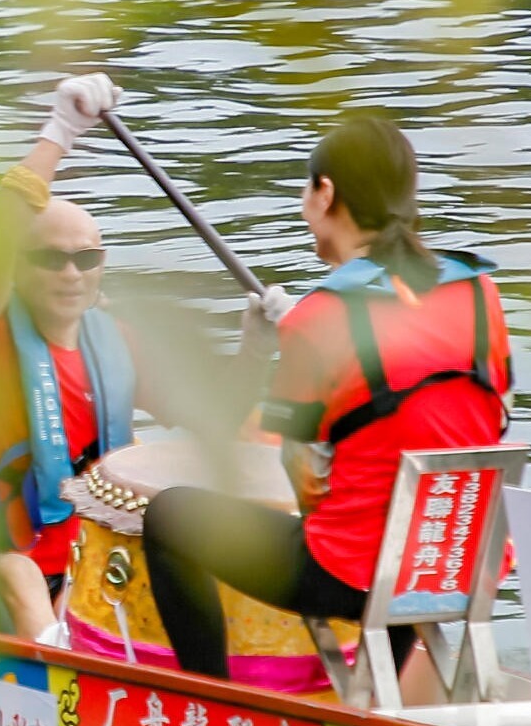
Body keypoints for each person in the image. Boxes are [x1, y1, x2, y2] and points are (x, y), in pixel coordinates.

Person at [142, 110, 510, 682]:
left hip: (354, 573)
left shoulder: (322, 314)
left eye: (305, 187)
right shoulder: (480, 289)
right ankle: (375, 700)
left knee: (170, 519)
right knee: (393, 530)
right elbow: (477, 416)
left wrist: (278, 343)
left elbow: (302, 472)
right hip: (462, 560)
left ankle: (211, 704)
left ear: (326, 192)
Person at [0, 75, 140, 640]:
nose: (70, 274)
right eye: (50, 259)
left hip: (85, 560)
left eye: (86, 261)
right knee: (19, 574)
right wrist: (60, 130)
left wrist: (263, 343)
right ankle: (58, 664)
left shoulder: (114, 342)